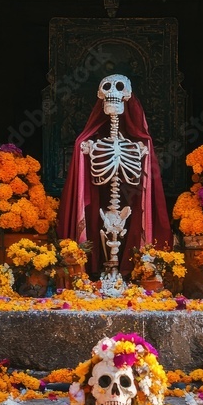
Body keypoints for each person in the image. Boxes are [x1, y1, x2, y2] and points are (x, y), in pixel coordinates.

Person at [57, 83, 172, 274]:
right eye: (107, 88)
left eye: (119, 88)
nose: (112, 94)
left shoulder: (139, 146)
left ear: (127, 97)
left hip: (125, 205)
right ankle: (97, 268)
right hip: (105, 206)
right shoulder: (90, 144)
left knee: (123, 230)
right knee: (102, 231)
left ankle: (129, 269)